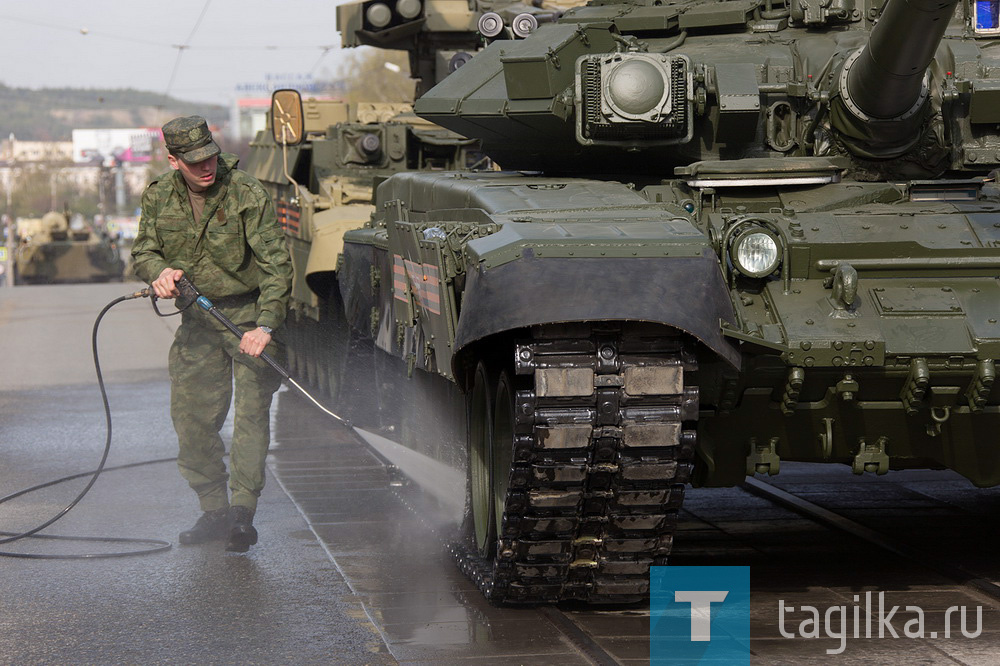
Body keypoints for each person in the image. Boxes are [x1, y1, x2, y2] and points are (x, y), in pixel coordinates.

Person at [131, 116, 292, 552]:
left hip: (248, 316)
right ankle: (214, 511)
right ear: (173, 160)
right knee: (192, 421)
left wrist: (266, 326)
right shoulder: (159, 196)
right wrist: (158, 271)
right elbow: (144, 249)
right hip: (197, 322)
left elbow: (277, 264)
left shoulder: (245, 192)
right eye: (195, 161)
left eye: (211, 157)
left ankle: (242, 512)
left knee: (251, 416)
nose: (206, 167)